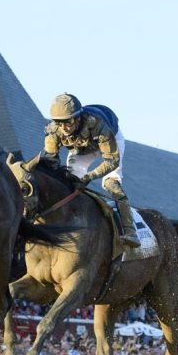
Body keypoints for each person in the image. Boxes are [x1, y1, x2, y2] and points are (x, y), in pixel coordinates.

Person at [42, 93, 141, 248]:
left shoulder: (98, 125)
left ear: (78, 118)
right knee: (70, 182)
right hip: (82, 148)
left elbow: (111, 161)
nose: (64, 128)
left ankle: (130, 230)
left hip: (111, 141)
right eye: (59, 123)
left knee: (110, 184)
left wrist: (90, 176)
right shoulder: (54, 130)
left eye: (67, 123)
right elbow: (50, 161)